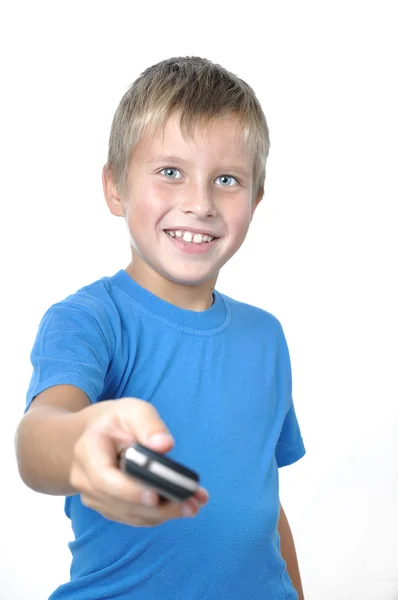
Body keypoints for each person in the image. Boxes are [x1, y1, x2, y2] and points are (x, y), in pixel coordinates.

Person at [15, 56, 306, 600]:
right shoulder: (88, 320)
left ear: (255, 200)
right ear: (115, 187)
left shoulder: (266, 337)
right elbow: (39, 436)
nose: (199, 204)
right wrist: (81, 445)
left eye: (226, 179)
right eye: (170, 172)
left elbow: (264, 506)